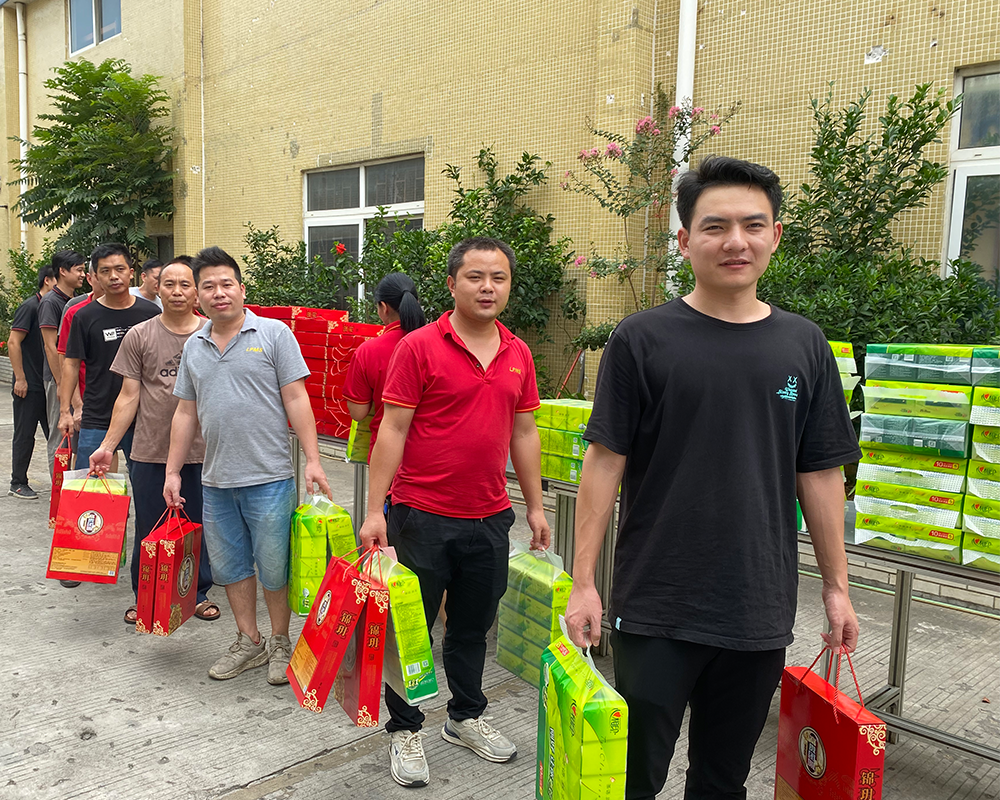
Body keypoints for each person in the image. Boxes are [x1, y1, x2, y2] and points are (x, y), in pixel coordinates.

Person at [563, 156, 862, 800]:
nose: (736, 241)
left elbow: (819, 472)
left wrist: (836, 589)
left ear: (775, 235)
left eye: (753, 225)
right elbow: (605, 463)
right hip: (657, 603)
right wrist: (583, 582)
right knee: (629, 777)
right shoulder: (641, 339)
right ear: (684, 240)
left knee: (723, 781)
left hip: (757, 606)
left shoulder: (804, 344)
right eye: (715, 226)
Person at [358, 237, 551, 789]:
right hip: (420, 515)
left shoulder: (518, 352)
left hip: (490, 516)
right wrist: (374, 511)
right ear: (452, 284)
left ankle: (465, 716)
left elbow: (524, 432)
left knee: (471, 627)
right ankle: (405, 728)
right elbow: (392, 429)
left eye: (498, 278)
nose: (488, 287)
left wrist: (535, 507)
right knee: (410, 629)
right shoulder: (418, 347)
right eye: (475, 277)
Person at [164, 246, 331, 685]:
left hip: (269, 478)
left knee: (274, 567)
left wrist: (313, 460)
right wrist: (173, 471)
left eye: (226, 284)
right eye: (208, 286)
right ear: (198, 296)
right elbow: (185, 412)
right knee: (231, 568)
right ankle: (248, 640)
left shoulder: (274, 334)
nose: (218, 293)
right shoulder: (195, 346)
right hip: (216, 480)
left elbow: (297, 398)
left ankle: (279, 641)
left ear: (241, 289)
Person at [89, 256, 218, 625]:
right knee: (149, 526)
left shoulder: (213, 333)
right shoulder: (140, 335)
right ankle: (144, 594)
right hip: (149, 449)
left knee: (198, 525)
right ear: (156, 289)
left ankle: (197, 593)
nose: (177, 291)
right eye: (168, 284)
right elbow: (128, 396)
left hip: (203, 450)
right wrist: (108, 446)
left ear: (197, 292)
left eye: (185, 284)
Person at [58, 243, 160, 470]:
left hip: (144, 415)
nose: (114, 276)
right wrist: (66, 410)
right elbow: (71, 364)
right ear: (95, 276)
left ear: (131, 273)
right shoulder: (84, 316)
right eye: (105, 271)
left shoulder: (152, 314)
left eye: (119, 269)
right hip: (98, 413)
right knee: (92, 481)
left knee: (148, 484)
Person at [344, 272, 426, 460]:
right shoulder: (437, 344)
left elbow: (358, 412)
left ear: (383, 307)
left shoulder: (368, 351)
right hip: (433, 457)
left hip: (386, 456)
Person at [8, 264, 56, 499]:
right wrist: (20, 378)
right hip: (29, 385)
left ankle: (64, 484)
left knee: (56, 436)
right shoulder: (30, 307)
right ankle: (18, 482)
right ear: (48, 280)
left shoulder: (56, 306)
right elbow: (13, 342)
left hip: (49, 384)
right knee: (25, 434)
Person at [38, 250, 86, 472]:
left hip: (72, 378)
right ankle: (57, 487)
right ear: (63, 271)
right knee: (61, 435)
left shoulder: (75, 301)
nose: (83, 275)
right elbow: (51, 346)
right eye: (79, 270)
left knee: (75, 434)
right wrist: (61, 384)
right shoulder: (51, 302)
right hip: (57, 378)